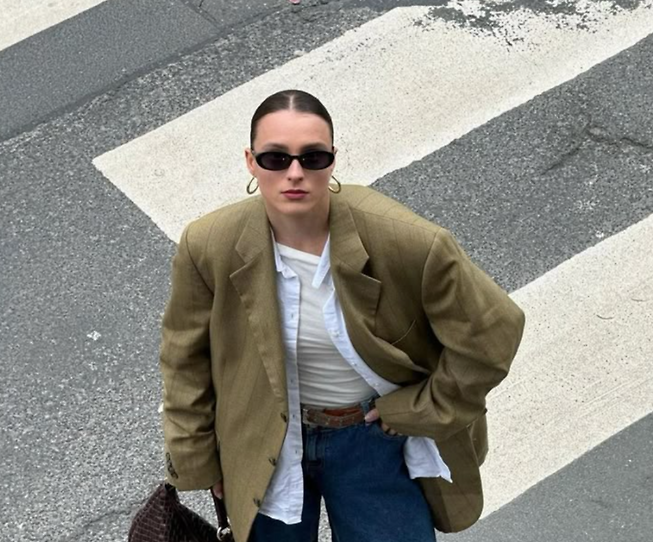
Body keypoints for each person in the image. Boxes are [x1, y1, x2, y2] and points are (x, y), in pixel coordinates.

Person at [159, 89, 525, 542]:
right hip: (264, 439)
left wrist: (423, 409)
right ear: (251, 162)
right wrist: (200, 460)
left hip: (374, 438)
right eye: (276, 158)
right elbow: (184, 360)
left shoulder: (408, 242)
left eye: (313, 157)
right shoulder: (208, 245)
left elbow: (492, 333)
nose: (295, 173)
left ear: (333, 160)